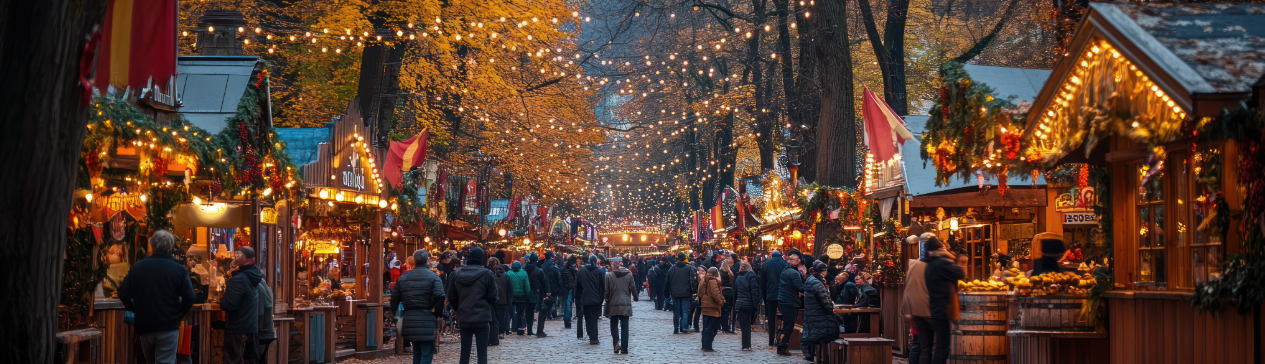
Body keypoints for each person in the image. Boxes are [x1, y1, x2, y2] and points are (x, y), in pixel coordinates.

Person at [118, 230, 195, 364]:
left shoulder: (138, 267)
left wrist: (134, 309)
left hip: (145, 325)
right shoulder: (178, 269)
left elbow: (123, 292)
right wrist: (179, 313)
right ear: (171, 246)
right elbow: (190, 297)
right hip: (168, 324)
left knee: (150, 361)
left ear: (152, 245)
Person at [912, 237, 964, 364]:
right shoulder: (941, 263)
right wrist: (949, 256)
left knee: (926, 348)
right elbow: (960, 273)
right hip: (942, 309)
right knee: (942, 347)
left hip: (930, 308)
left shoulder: (929, 265)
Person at [391, 250, 446, 364]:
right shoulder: (433, 276)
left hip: (410, 317)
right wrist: (437, 313)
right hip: (426, 317)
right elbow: (440, 296)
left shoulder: (404, 277)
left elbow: (394, 298)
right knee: (426, 354)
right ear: (427, 261)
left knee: (417, 351)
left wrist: (396, 316)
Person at [446, 247, 498, 364]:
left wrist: (458, 308)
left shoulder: (456, 273)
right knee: (482, 354)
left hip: (465, 316)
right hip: (482, 317)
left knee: (464, 353)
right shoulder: (487, 274)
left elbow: (451, 296)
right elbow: (493, 296)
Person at [222, 246, 263, 364]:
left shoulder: (238, 279)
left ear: (248, 259)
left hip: (237, 327)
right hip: (251, 326)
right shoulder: (253, 277)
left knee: (233, 360)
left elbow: (228, 305)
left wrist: (224, 297)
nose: (235, 257)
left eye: (238, 254)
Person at [902, 234, 933, 364]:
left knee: (918, 344)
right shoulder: (925, 267)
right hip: (923, 310)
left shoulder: (914, 266)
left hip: (915, 309)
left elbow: (908, 290)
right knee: (921, 345)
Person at [801, 261, 839, 362]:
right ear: (824, 271)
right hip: (818, 313)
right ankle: (818, 355)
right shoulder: (816, 282)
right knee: (820, 335)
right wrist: (831, 307)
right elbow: (823, 299)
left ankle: (811, 353)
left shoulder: (812, 280)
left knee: (813, 333)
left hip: (813, 312)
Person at [775, 251, 804, 356]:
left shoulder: (786, 270)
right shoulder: (793, 272)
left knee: (786, 325)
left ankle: (781, 345)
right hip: (789, 302)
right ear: (794, 261)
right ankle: (782, 347)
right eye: (797, 260)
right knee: (788, 326)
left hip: (784, 300)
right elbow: (801, 288)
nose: (799, 261)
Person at [604, 260, 635, 354]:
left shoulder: (609, 276)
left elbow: (606, 291)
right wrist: (636, 297)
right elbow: (633, 288)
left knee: (614, 325)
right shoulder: (629, 275)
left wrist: (606, 299)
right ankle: (624, 348)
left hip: (613, 303)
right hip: (625, 303)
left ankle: (616, 344)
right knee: (625, 326)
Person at [575, 255, 606, 345]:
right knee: (594, 318)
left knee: (588, 317)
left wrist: (578, 299)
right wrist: (602, 298)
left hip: (585, 298)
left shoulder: (581, 271)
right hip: (596, 298)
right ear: (596, 262)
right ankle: (594, 337)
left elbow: (578, 287)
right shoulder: (600, 271)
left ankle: (590, 334)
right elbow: (602, 287)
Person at [760, 250, 787, 346]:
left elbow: (762, 283)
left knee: (771, 318)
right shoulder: (785, 264)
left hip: (770, 295)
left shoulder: (765, 265)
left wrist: (764, 296)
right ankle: (783, 340)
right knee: (785, 318)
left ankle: (771, 340)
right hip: (783, 296)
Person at [664, 253, 697, 334]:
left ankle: (676, 327)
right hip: (686, 292)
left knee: (676, 311)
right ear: (685, 258)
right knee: (685, 311)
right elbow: (694, 281)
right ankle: (684, 327)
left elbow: (667, 281)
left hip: (675, 293)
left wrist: (666, 292)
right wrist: (694, 291)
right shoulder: (689, 268)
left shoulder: (672, 268)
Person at [733, 260, 761, 350]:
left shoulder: (738, 277)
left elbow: (736, 292)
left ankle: (745, 344)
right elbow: (754, 292)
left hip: (740, 304)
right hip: (748, 303)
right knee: (747, 325)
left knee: (744, 325)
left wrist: (735, 304)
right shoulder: (752, 276)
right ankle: (747, 345)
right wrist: (755, 305)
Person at [698, 267, 726, 351]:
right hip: (713, 307)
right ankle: (707, 346)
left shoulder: (703, 280)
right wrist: (721, 302)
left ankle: (705, 345)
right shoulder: (713, 281)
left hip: (705, 306)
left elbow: (699, 293)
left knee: (706, 326)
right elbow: (715, 294)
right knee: (712, 327)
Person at [488, 257, 510, 343]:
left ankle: (494, 334)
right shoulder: (505, 275)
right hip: (502, 299)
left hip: (492, 299)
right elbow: (509, 289)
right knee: (501, 317)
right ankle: (501, 332)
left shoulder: (487, 274)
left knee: (493, 317)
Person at [256, 273, 276, 363]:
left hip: (262, 332)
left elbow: (260, 312)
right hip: (267, 331)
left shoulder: (258, 287)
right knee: (261, 359)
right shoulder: (265, 285)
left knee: (258, 359)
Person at [506, 261, 530, 335]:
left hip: (511, 296)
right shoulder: (524, 273)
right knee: (521, 313)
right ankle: (520, 329)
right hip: (522, 297)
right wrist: (528, 295)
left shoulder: (508, 273)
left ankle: (508, 329)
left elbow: (506, 285)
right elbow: (527, 286)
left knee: (509, 313)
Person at [717, 258, 736, 334]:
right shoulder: (730, 273)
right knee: (729, 310)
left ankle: (723, 326)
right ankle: (729, 327)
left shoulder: (720, 273)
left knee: (723, 310)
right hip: (730, 292)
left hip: (722, 291)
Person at [560, 254, 577, 329]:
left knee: (565, 305)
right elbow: (575, 279)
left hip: (564, 287)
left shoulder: (562, 269)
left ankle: (566, 321)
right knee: (569, 305)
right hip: (570, 287)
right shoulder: (572, 269)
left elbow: (560, 278)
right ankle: (568, 321)